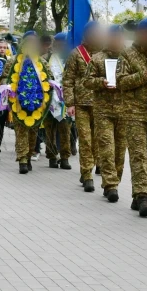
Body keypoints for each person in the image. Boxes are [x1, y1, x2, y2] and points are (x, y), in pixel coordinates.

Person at [116, 18, 147, 217]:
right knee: (139, 155)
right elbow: (120, 82)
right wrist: (144, 76)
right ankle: (143, 195)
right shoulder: (127, 55)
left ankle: (140, 194)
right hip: (133, 113)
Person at [86, 25, 127, 203]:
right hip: (103, 110)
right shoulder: (97, 58)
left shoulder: (129, 58)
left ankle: (115, 179)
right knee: (107, 148)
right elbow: (86, 82)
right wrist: (101, 82)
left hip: (125, 110)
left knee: (120, 150)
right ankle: (110, 185)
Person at [0, 32, 50, 174]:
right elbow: (4, 77)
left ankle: (28, 155)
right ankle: (22, 158)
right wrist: (8, 87)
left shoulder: (42, 62)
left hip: (37, 103)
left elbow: (49, 78)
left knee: (33, 131)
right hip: (17, 102)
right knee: (21, 130)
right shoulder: (13, 61)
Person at [63, 21, 102, 192]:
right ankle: (87, 174)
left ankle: (91, 164)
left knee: (97, 140)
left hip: (101, 104)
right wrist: (70, 102)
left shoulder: (104, 53)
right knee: (85, 140)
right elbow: (68, 80)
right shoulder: (76, 54)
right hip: (81, 104)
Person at [44, 32, 72, 170]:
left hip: (64, 99)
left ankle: (65, 157)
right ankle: (51, 156)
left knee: (65, 129)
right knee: (49, 129)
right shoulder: (46, 58)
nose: (61, 46)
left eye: (64, 44)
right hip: (49, 99)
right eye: (59, 44)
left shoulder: (70, 58)